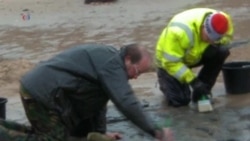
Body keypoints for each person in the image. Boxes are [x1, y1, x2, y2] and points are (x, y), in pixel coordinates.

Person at [0, 43, 174, 141]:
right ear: (128, 59)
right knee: (52, 140)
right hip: (41, 93)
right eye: (137, 72)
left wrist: (100, 132)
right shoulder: (112, 65)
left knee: (52, 134)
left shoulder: (109, 65)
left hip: (47, 92)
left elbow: (97, 104)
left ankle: (4, 127)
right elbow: (126, 102)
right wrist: (156, 131)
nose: (136, 78)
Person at [155, 8, 234, 107]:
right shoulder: (178, 32)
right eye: (208, 37)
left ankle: (203, 91)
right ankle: (165, 82)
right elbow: (171, 63)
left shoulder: (224, 22)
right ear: (203, 26)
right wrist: (193, 82)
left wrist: (201, 86)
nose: (211, 42)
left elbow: (227, 40)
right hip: (169, 63)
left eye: (215, 39)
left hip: (194, 54)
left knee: (221, 51)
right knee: (181, 101)